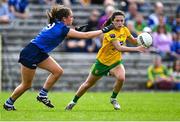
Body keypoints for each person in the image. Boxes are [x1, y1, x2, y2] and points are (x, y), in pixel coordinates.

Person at [3, 5, 114, 111]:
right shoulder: (63, 29)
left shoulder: (58, 24)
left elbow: (59, 33)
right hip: (31, 53)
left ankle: (42, 95)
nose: (73, 18)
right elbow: (86, 36)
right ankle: (9, 103)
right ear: (64, 18)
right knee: (26, 85)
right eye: (71, 16)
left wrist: (74, 30)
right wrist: (105, 30)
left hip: (39, 52)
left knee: (58, 71)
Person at [65, 10, 146, 110]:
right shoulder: (110, 33)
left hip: (116, 62)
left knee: (121, 78)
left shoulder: (125, 29)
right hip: (102, 63)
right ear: (113, 21)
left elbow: (134, 41)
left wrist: (143, 40)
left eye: (122, 20)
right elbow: (119, 48)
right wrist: (137, 49)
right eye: (117, 21)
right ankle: (73, 101)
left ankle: (113, 98)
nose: (120, 23)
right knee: (87, 84)